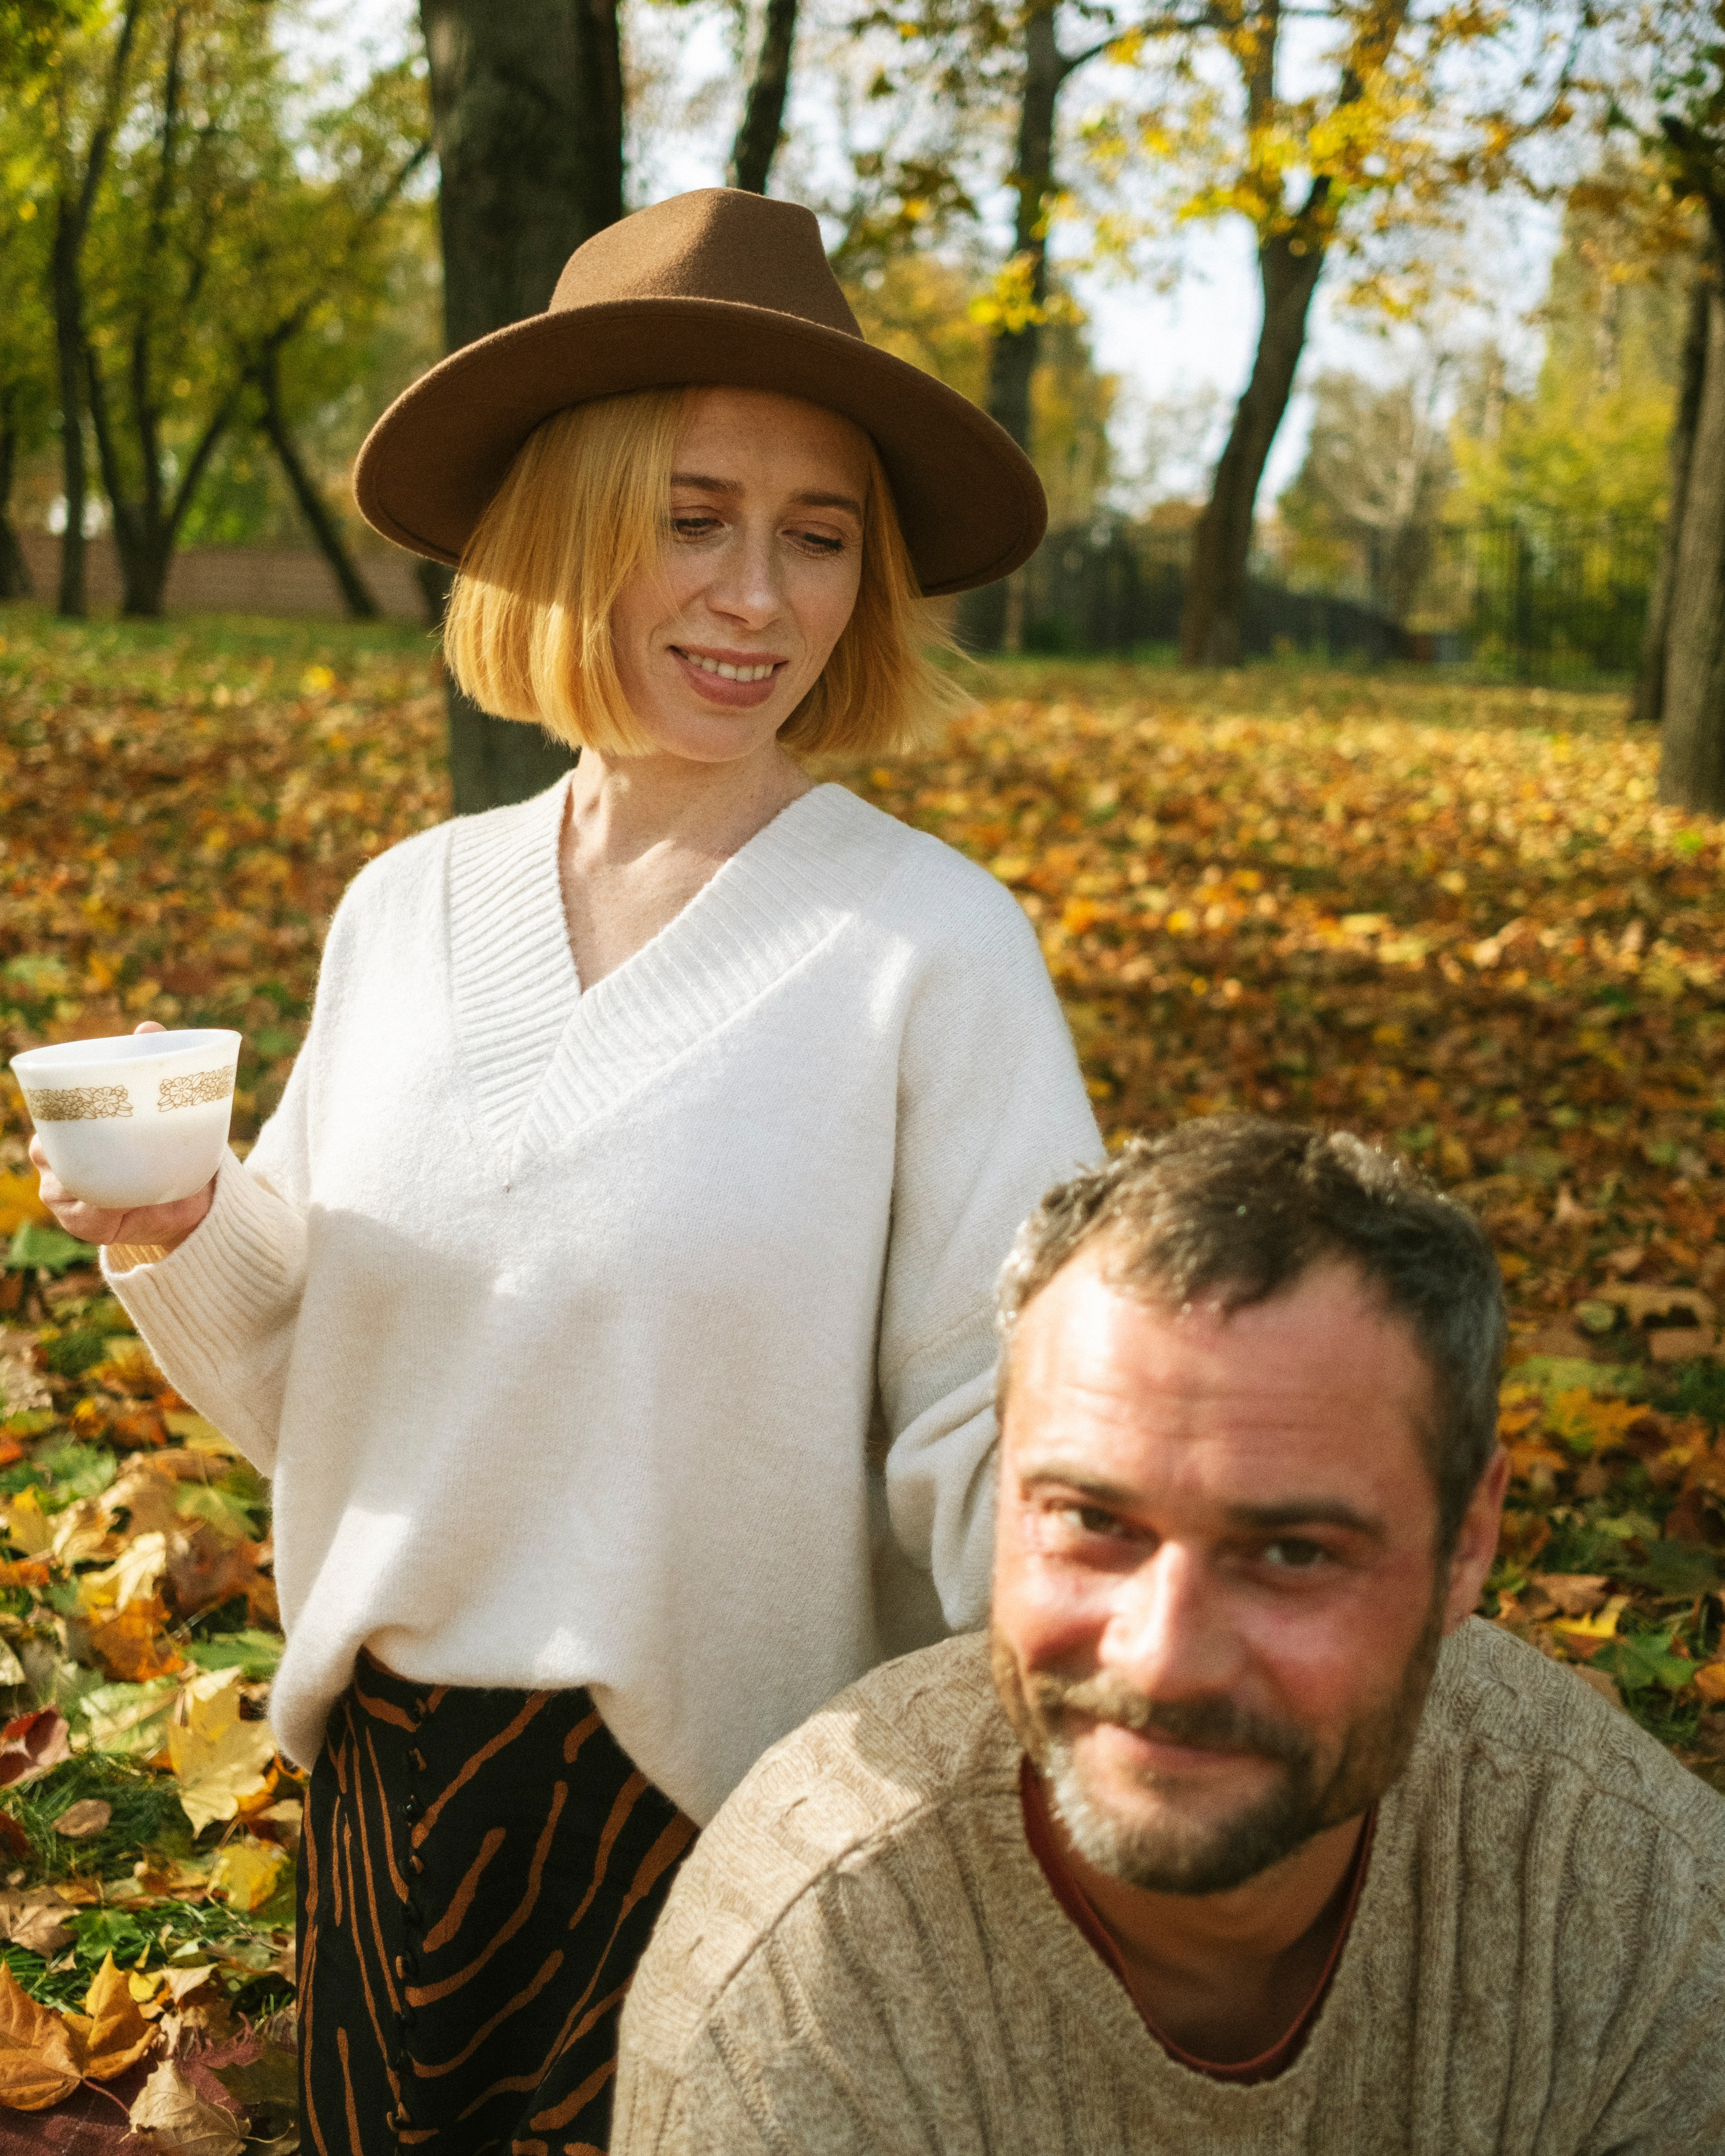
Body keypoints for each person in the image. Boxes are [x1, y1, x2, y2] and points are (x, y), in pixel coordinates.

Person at [32, 188, 1100, 2151]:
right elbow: (323, 1374)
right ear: (564, 533)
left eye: (819, 535)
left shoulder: (931, 951)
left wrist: (1114, 1675)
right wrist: (185, 1231)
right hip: (387, 1797)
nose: (758, 596)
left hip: (736, 1814)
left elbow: (1004, 1413)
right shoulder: (409, 910)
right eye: (693, 517)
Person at [613, 1116, 1725, 2155]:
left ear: (1469, 1543)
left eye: (1292, 1553)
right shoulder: (802, 1998)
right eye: (1096, 1523)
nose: (1162, 1658)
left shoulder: (1640, 1926)